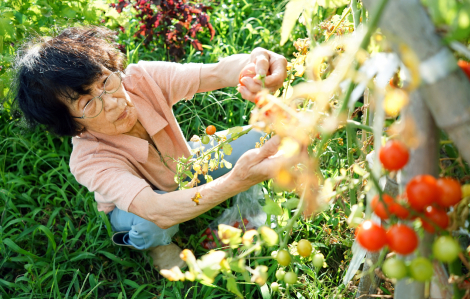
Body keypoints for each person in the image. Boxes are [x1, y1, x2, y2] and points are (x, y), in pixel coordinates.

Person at [14, 26, 287, 270]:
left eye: (106, 81)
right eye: (87, 104)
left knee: (263, 135)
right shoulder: (89, 159)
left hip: (187, 166)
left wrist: (256, 66)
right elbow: (155, 208)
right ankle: (157, 247)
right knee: (148, 223)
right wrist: (235, 181)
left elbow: (217, 72)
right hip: (143, 205)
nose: (112, 102)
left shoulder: (141, 80)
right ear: (72, 125)